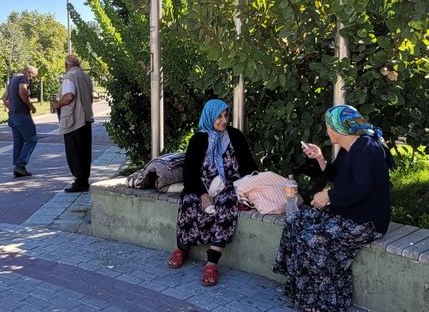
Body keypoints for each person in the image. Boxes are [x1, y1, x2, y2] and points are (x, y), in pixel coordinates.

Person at [274, 104, 395, 312]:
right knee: (296, 221)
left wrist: (329, 196)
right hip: (347, 210)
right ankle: (300, 290)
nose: (327, 130)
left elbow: (361, 189)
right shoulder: (349, 148)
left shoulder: (366, 148)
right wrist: (320, 158)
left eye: (328, 126)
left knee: (311, 238)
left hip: (367, 219)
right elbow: (335, 176)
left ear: (339, 128)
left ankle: (324, 303)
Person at [167, 99, 257, 286]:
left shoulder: (235, 136)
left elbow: (249, 166)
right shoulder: (199, 139)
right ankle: (181, 248)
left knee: (226, 205)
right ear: (209, 116)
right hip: (200, 186)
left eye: (226, 116)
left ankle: (212, 263)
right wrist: (204, 195)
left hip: (227, 185)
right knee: (189, 202)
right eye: (219, 116)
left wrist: (248, 186)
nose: (223, 121)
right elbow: (189, 173)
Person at [52, 54, 94, 193]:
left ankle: (79, 182)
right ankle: (84, 180)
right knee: (84, 151)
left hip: (73, 120)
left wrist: (58, 104)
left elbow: (69, 96)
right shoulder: (86, 77)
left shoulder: (70, 77)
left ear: (66, 65)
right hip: (86, 118)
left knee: (74, 151)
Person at [2, 66, 39, 178]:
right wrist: (30, 105)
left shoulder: (12, 81)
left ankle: (18, 169)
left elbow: (4, 98)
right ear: (29, 72)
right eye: (33, 76)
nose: (33, 79)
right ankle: (20, 165)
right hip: (22, 116)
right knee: (32, 140)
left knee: (18, 142)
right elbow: (22, 91)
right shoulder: (23, 79)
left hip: (13, 116)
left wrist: (12, 108)